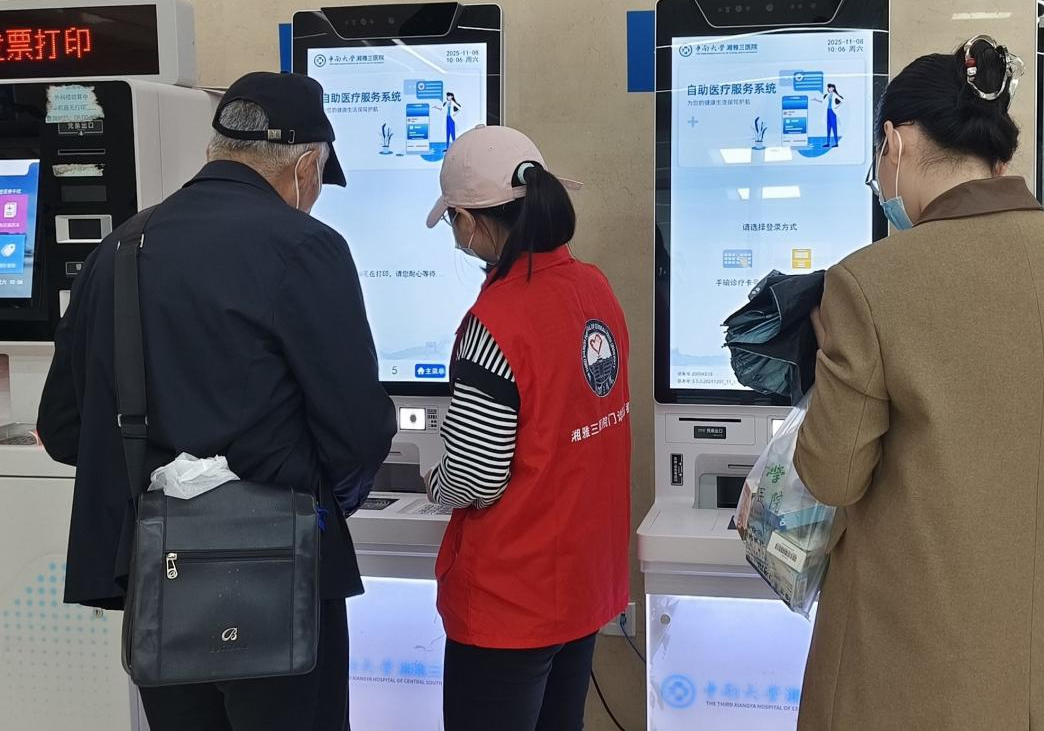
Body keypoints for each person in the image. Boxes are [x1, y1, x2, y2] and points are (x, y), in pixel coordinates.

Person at [36, 72, 397, 731]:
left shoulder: (118, 249)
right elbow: (358, 429)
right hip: (283, 573)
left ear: (215, 151)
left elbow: (62, 429)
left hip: (162, 581)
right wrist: (323, 506)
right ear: (306, 166)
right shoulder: (306, 247)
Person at [794, 36, 1044, 731]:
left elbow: (831, 475)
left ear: (895, 142)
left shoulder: (870, 282)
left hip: (903, 665)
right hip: (1037, 665)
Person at [422, 125, 631, 731]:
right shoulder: (594, 287)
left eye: (454, 221)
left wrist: (431, 482)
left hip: (510, 600)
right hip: (583, 581)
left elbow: (474, 476)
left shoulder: (495, 322)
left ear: (470, 221)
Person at [821, 83, 842, 148]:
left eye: (830, 87)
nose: (829, 89)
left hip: (832, 112)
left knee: (834, 127)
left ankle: (836, 143)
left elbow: (842, 101)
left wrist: (836, 106)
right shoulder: (828, 95)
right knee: (828, 127)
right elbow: (823, 102)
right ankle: (828, 143)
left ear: (833, 88)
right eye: (828, 88)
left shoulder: (834, 94)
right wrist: (816, 99)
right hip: (828, 111)